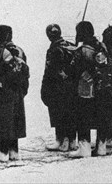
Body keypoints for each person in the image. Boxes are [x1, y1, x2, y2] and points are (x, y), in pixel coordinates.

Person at [0, 25, 29, 162]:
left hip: (1, 92)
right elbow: (25, 74)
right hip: (17, 91)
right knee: (14, 119)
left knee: (1, 120)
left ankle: (2, 152)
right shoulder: (20, 51)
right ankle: (14, 152)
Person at [69, 21, 107, 158]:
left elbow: (73, 70)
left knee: (83, 117)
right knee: (101, 117)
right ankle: (101, 146)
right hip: (103, 88)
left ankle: (84, 148)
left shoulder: (82, 50)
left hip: (86, 89)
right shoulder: (101, 46)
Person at [41, 24, 77, 152]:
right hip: (72, 85)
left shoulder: (54, 49)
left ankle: (61, 141)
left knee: (59, 113)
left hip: (57, 86)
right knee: (71, 112)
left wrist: (44, 88)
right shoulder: (71, 45)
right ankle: (72, 141)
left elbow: (50, 70)